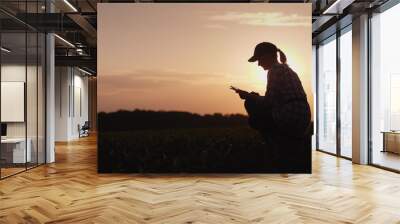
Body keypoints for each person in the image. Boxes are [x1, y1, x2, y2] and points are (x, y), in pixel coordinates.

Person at [231, 42, 312, 172]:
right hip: (304, 115)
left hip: (289, 115)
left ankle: (273, 146)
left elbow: (269, 102)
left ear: (267, 56)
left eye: (259, 60)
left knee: (251, 104)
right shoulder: (288, 69)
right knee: (255, 100)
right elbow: (275, 100)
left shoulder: (274, 70)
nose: (258, 64)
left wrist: (249, 96)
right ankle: (284, 146)